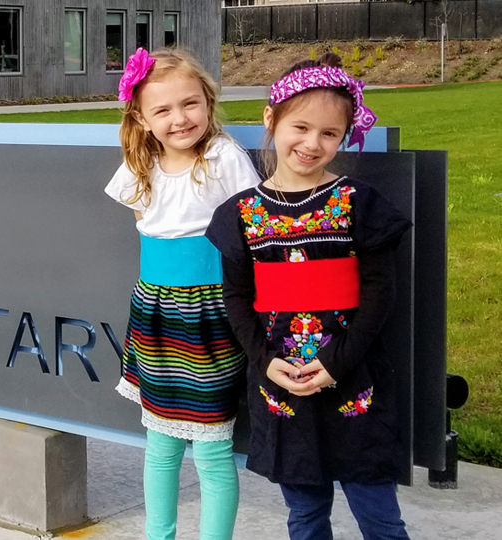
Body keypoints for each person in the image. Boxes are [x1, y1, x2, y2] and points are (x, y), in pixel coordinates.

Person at [205, 53, 412, 540]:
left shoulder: (358, 203)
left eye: (329, 134)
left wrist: (338, 362)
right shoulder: (240, 214)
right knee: (305, 516)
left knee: (380, 518)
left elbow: (380, 293)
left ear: (343, 137)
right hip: (283, 384)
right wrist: (264, 359)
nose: (312, 143)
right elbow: (236, 297)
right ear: (270, 120)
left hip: (354, 379)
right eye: (300, 127)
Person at [105, 48, 261, 540]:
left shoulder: (224, 159)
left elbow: (251, 234)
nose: (180, 118)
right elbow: (148, 232)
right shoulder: (139, 166)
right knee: (161, 444)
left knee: (213, 449)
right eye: (163, 110)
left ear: (208, 102)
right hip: (156, 317)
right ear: (141, 118)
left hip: (211, 319)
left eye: (189, 104)